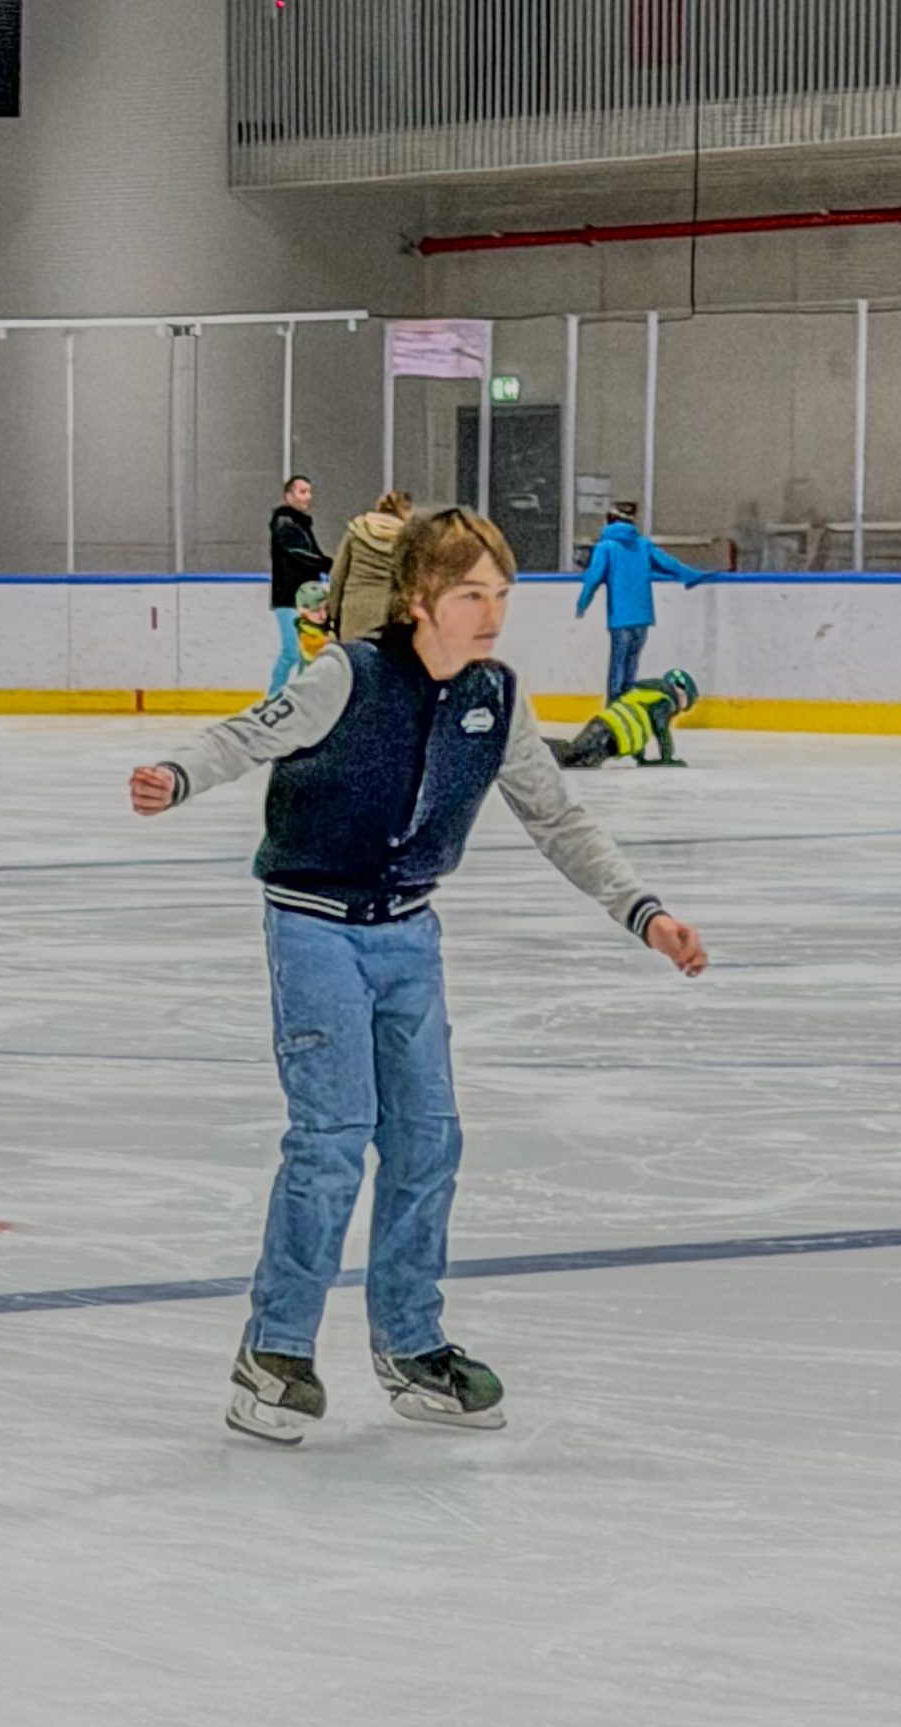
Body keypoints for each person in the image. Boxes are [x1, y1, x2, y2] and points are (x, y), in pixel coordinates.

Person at [128, 509, 708, 1446]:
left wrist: (643, 911)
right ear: (419, 600)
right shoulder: (348, 675)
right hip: (315, 926)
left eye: (502, 594)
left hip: (408, 933)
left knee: (428, 1140)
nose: (492, 614)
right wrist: (177, 774)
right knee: (332, 1139)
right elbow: (247, 734)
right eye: (471, 594)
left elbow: (558, 819)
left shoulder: (494, 697)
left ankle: (410, 1343)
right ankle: (274, 1352)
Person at [574, 502, 716, 700]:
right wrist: (692, 576)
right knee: (631, 666)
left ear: (609, 520)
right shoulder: (643, 545)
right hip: (642, 617)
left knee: (618, 665)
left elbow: (594, 576)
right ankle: (629, 703)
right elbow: (668, 564)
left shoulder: (606, 547)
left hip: (620, 618)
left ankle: (614, 706)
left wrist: (582, 603)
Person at [551, 668, 700, 770]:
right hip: (611, 735)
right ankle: (540, 749)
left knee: (576, 756)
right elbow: (660, 728)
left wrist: (640, 758)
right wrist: (667, 756)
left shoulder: (645, 692)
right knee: (576, 756)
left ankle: (543, 751)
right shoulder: (665, 700)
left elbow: (637, 722)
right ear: (681, 691)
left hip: (607, 730)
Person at [266, 474, 330, 694]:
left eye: (309, 492)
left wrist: (329, 566)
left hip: (307, 598)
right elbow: (299, 553)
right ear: (288, 496)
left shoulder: (301, 524)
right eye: (302, 492)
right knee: (292, 652)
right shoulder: (285, 523)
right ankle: (273, 697)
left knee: (307, 654)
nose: (308, 497)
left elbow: (314, 555)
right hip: (288, 598)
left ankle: (302, 697)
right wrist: (327, 564)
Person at [323, 489, 413, 644]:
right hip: (387, 615)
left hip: (353, 611)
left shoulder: (357, 530)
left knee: (353, 657)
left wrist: (332, 613)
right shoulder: (407, 538)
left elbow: (338, 575)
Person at [293, 580, 334, 663]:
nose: (324, 615)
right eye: (316, 610)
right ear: (304, 612)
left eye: (326, 608)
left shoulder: (327, 623)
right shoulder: (306, 637)